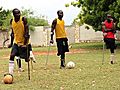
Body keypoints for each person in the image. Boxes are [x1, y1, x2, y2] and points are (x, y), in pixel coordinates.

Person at [7, 8, 30, 76]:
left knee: (26, 59)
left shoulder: (23, 19)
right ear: (13, 14)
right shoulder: (12, 21)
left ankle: (28, 56)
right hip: (16, 42)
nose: (18, 14)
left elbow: (27, 32)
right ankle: (10, 73)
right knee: (12, 55)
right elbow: (12, 33)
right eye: (17, 13)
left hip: (24, 42)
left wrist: (25, 44)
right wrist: (11, 43)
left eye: (19, 13)